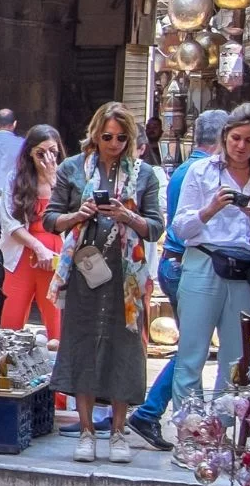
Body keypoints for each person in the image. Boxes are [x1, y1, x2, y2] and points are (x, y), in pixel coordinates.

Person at [44, 102, 165, 465]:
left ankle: (117, 431)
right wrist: (78, 215)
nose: (113, 143)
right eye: (107, 136)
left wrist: (128, 215)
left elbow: (156, 227)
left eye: (121, 137)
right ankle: (85, 431)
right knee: (81, 344)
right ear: (96, 134)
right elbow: (51, 219)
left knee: (124, 347)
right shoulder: (72, 169)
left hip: (126, 276)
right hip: (85, 269)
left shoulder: (144, 175)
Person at [170, 102, 250, 408]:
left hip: (244, 269)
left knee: (236, 359)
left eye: (249, 141)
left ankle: (221, 432)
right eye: (236, 138)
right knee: (191, 354)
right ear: (225, 136)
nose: (241, 147)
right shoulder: (202, 170)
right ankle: (189, 430)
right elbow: (181, 228)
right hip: (203, 262)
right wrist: (210, 209)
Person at [125, 109, 228, 453]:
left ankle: (181, 417)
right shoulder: (199, 172)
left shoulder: (187, 169)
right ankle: (153, 411)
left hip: (179, 264)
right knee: (192, 350)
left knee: (192, 349)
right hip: (186, 264)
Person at [0, 125, 65, 343]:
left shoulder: (65, 177)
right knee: (9, 324)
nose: (47, 158)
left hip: (56, 257)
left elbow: (73, 215)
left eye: (53, 152)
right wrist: (38, 247)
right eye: (40, 153)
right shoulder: (15, 178)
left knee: (58, 326)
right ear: (30, 153)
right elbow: (9, 223)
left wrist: (53, 179)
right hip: (20, 257)